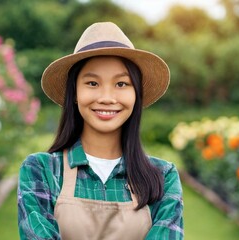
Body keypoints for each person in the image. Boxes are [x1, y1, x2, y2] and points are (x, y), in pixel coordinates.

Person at [17, 22, 184, 240]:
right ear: (74, 92)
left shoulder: (162, 177)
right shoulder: (42, 171)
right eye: (93, 83)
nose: (107, 97)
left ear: (136, 95)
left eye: (121, 84)